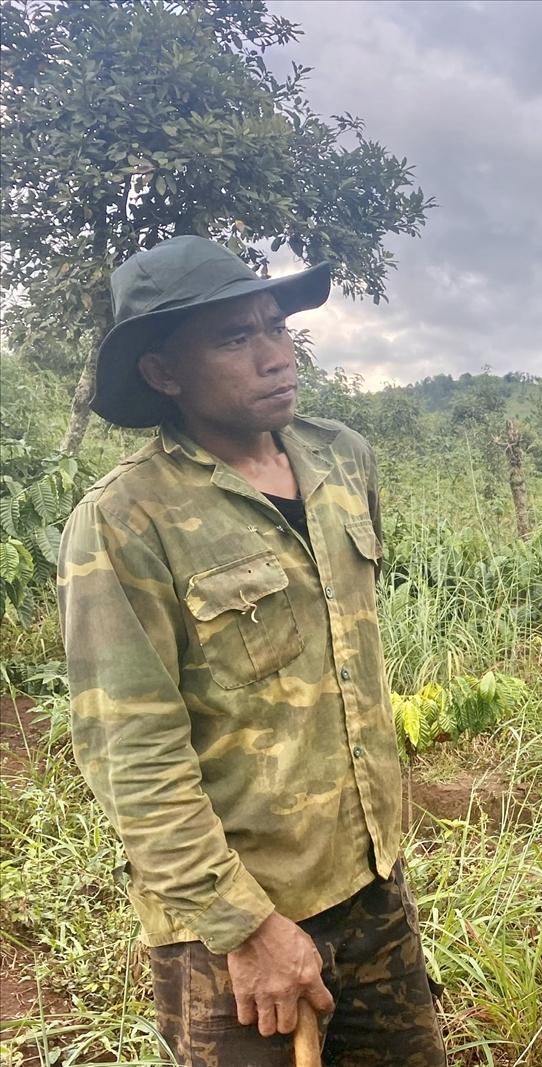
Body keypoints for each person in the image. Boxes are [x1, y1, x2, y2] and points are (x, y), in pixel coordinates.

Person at [57, 236, 445, 1066]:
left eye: (277, 328)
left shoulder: (341, 459)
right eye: (236, 339)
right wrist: (250, 926)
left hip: (372, 885)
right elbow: (132, 755)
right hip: (234, 931)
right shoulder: (127, 519)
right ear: (165, 374)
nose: (276, 356)